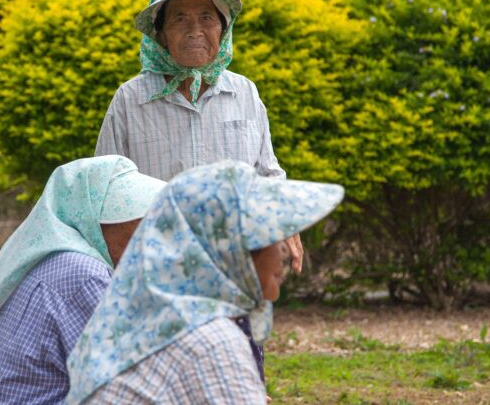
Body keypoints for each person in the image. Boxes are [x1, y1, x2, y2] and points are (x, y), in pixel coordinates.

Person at [65, 160, 344, 404]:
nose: (284, 251)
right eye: (271, 237)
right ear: (232, 253)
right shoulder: (210, 339)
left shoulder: (169, 317)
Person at [94, 0, 305, 272]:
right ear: (161, 34)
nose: (195, 31)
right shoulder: (131, 99)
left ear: (223, 28)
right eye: (180, 19)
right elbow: (104, 190)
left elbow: (267, 174)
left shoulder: (244, 92)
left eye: (207, 18)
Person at [0, 155, 166, 405]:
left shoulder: (53, 260)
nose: (145, 242)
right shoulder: (84, 274)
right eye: (136, 226)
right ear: (97, 222)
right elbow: (132, 379)